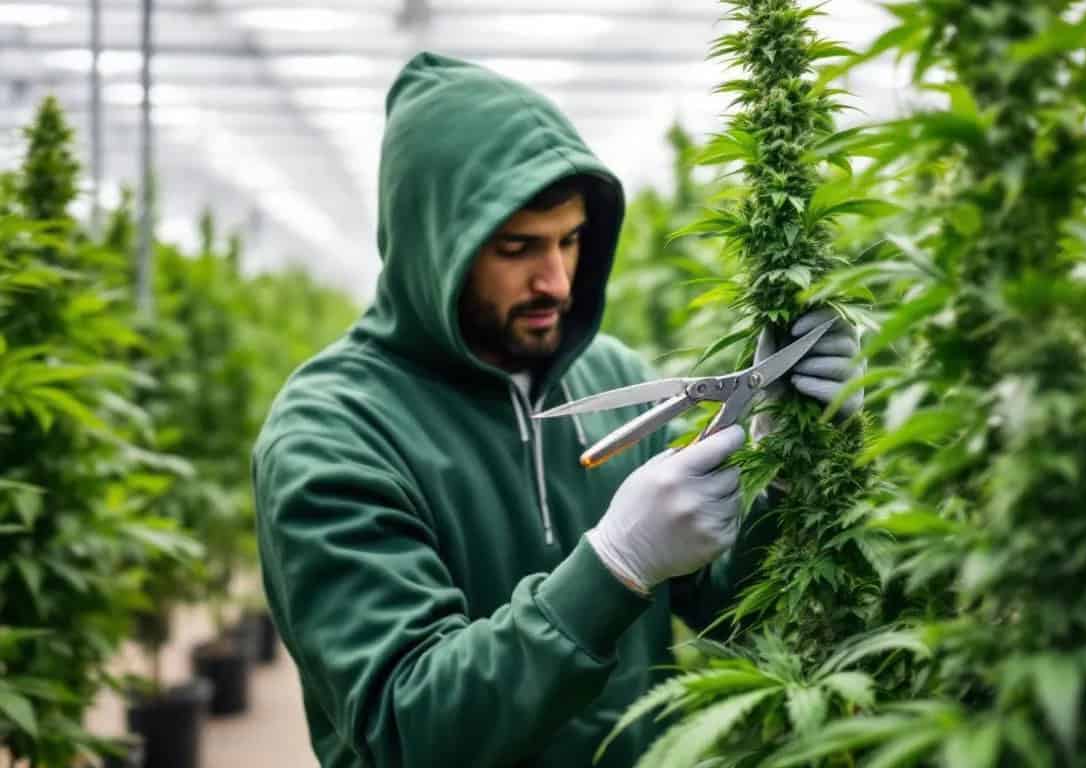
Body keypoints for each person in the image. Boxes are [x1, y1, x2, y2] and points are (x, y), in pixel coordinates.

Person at [250, 52, 862, 767]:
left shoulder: (613, 375)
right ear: (433, 246)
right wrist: (613, 568)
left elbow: (728, 612)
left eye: (570, 241)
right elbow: (407, 727)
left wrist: (792, 466)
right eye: (518, 248)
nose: (557, 281)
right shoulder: (330, 435)